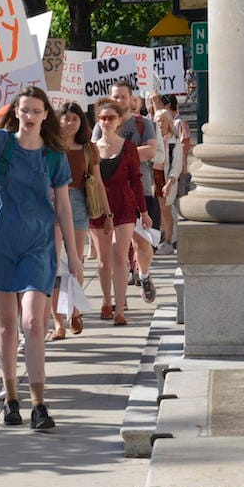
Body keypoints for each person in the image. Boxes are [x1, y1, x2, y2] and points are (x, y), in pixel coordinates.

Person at [0, 77, 82, 431]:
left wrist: (73, 255)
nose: (29, 115)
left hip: (38, 247)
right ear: (17, 113)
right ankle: (11, 396)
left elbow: (65, 209)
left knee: (33, 323)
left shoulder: (54, 156)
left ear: (45, 116)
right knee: (8, 324)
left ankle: (40, 403)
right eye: (24, 110)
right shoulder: (0, 144)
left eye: (36, 111)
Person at [49, 101, 101, 340]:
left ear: (81, 122)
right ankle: (58, 322)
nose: (69, 122)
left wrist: (106, 214)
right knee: (53, 265)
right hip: (52, 202)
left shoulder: (88, 148)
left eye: (74, 118)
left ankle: (74, 310)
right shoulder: (49, 147)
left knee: (75, 262)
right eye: (65, 117)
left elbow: (98, 182)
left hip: (78, 202)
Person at [93, 97, 145, 326]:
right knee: (104, 261)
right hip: (98, 209)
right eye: (102, 118)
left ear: (118, 121)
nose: (106, 121)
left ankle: (120, 308)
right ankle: (106, 301)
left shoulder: (129, 147)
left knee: (120, 256)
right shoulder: (92, 149)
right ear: (98, 121)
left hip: (124, 206)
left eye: (110, 118)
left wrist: (143, 211)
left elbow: (136, 180)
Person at [108, 81, 160, 303]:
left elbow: (150, 151)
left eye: (122, 96)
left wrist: (118, 152)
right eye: (115, 97)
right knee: (115, 249)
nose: (118, 101)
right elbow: (95, 153)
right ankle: (120, 300)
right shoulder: (104, 124)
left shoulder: (143, 123)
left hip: (140, 189)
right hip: (111, 193)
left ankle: (144, 275)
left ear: (131, 99)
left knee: (142, 244)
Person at [155, 108, 185, 254]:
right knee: (156, 210)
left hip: (165, 177)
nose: (160, 124)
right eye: (158, 121)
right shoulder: (152, 140)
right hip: (153, 176)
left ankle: (168, 241)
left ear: (169, 122)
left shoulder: (174, 142)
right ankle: (160, 238)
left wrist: (170, 183)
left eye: (163, 120)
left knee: (166, 210)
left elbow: (177, 165)